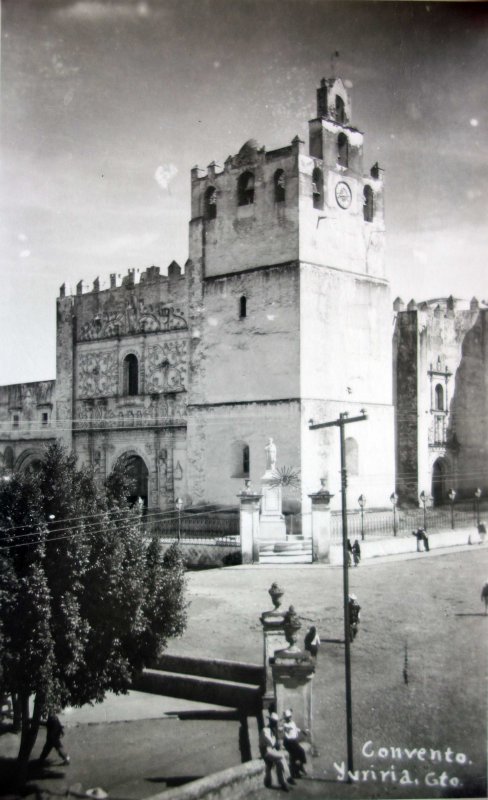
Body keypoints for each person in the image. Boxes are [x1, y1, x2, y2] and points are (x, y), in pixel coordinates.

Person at [259, 711, 293, 791]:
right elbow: (270, 743)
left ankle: (283, 783)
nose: (275, 724)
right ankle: (288, 778)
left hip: (271, 750)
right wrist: (276, 742)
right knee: (281, 757)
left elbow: (276, 744)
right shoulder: (265, 730)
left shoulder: (272, 731)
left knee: (279, 762)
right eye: (273, 722)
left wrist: (278, 742)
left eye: (275, 723)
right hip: (266, 751)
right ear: (270, 722)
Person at [282, 709, 308, 778]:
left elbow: (295, 729)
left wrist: (302, 731)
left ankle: (299, 769)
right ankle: (298, 770)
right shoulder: (285, 725)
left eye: (290, 717)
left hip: (293, 741)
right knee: (298, 752)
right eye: (287, 718)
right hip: (289, 742)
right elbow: (288, 733)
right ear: (286, 718)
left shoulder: (292, 723)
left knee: (298, 754)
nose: (289, 718)